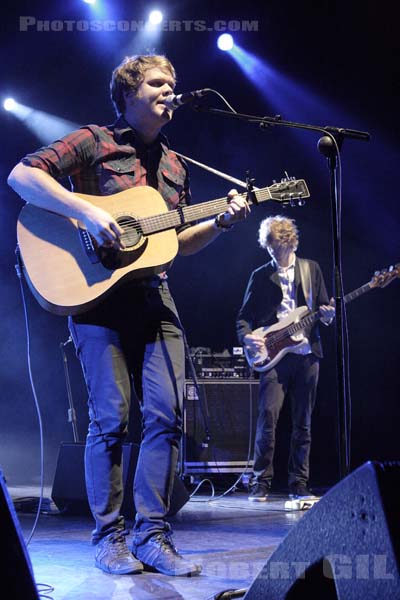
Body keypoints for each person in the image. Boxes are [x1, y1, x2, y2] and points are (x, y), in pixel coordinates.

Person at [8, 54, 248, 576]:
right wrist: (89, 212)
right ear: (129, 91)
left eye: (173, 83)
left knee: (166, 417)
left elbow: (177, 244)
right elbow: (22, 175)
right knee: (112, 419)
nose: (170, 91)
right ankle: (109, 537)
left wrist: (223, 222)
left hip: (155, 298)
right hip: (95, 299)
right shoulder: (95, 141)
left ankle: (152, 536)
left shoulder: (177, 166)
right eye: (159, 83)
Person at [236, 215, 335, 501]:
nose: (273, 253)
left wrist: (327, 317)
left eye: (277, 247)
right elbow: (243, 318)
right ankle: (261, 482)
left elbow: (324, 310)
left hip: (306, 354)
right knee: (268, 418)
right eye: (269, 248)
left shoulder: (311, 269)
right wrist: (247, 338)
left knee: (302, 422)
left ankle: (298, 484)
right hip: (273, 353)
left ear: (290, 243)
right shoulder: (260, 275)